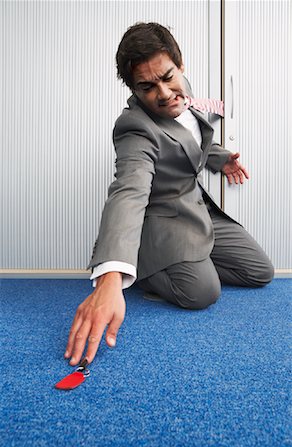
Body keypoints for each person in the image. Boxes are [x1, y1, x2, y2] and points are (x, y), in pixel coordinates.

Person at [64, 22, 274, 366]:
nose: (163, 93)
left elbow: (194, 131)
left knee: (261, 272)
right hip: (162, 219)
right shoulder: (134, 128)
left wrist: (220, 159)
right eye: (147, 87)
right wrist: (110, 276)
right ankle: (143, 266)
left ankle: (192, 259)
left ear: (180, 64)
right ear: (133, 89)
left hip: (197, 208)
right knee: (203, 293)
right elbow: (128, 193)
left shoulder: (184, 92)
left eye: (167, 76)